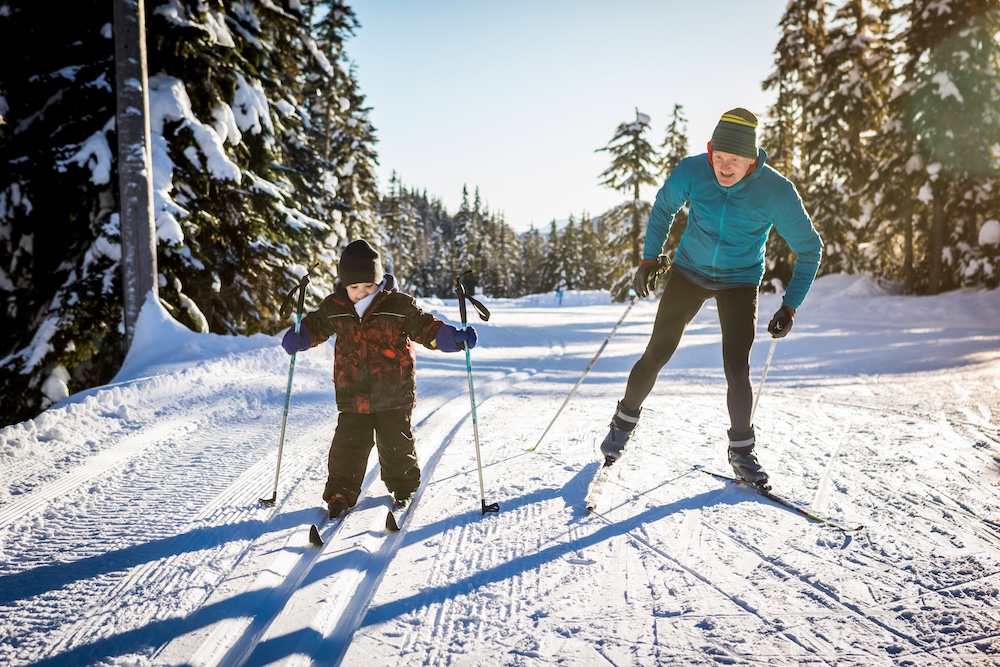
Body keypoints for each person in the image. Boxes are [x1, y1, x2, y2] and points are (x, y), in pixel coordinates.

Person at [600, 108, 823, 489]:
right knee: (658, 351)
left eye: (732, 160)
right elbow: (664, 207)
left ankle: (742, 452)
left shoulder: (776, 191)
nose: (722, 166)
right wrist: (650, 259)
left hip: (739, 281)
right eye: (717, 157)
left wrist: (790, 305)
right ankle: (622, 424)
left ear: (752, 158)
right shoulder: (693, 170)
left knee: (737, 368)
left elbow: (810, 248)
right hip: (689, 272)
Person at [281, 239, 478, 518]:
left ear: (379, 281)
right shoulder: (335, 307)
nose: (361, 293)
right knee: (347, 445)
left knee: (396, 444)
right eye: (355, 287)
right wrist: (301, 337)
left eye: (368, 286)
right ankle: (341, 490)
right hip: (352, 393)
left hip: (393, 392)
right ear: (344, 285)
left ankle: (403, 486)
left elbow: (426, 329)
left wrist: (452, 338)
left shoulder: (399, 305)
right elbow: (316, 326)